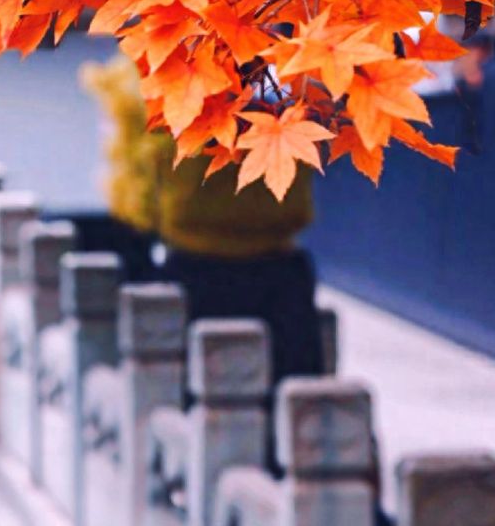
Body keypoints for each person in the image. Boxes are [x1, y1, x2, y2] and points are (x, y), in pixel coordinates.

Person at [80, 52, 324, 384]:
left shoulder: (155, 79)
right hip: (244, 270)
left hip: (213, 268)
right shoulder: (287, 72)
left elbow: (137, 197)